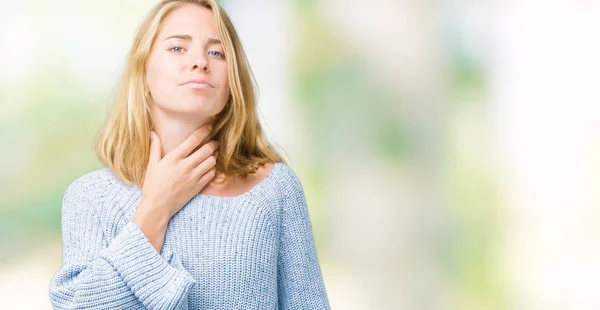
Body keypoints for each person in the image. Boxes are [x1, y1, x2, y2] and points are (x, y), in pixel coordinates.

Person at [48, 0, 330, 309]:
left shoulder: (274, 189)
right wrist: (155, 208)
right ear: (143, 73)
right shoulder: (91, 197)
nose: (200, 62)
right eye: (178, 48)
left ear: (231, 83)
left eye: (216, 52)